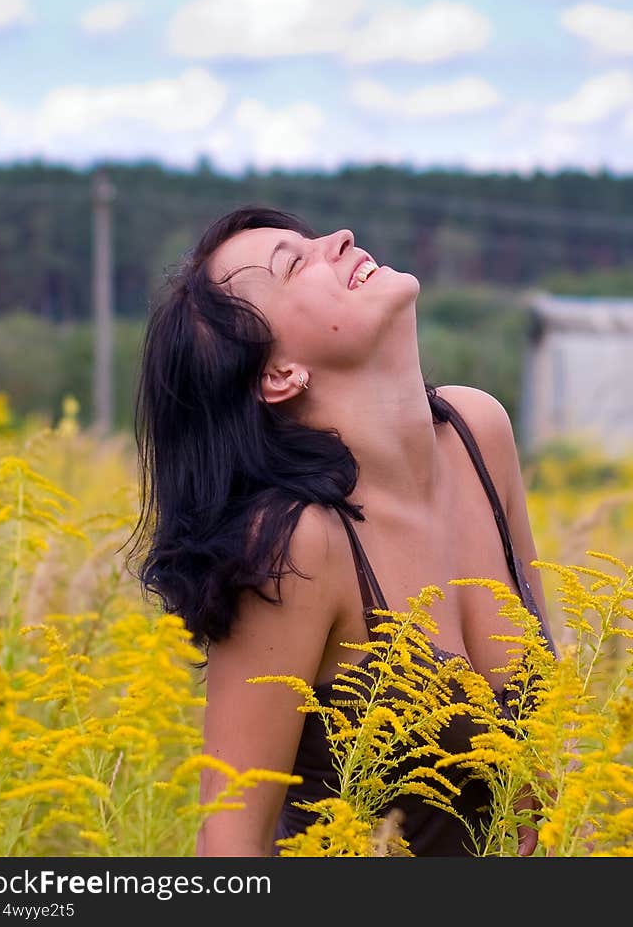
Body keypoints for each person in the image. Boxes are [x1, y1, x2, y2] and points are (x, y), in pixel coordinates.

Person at [127, 204, 558, 858]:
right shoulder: (293, 549)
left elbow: (551, 756)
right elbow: (231, 845)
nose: (340, 238)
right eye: (293, 264)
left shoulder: (480, 434)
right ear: (277, 375)